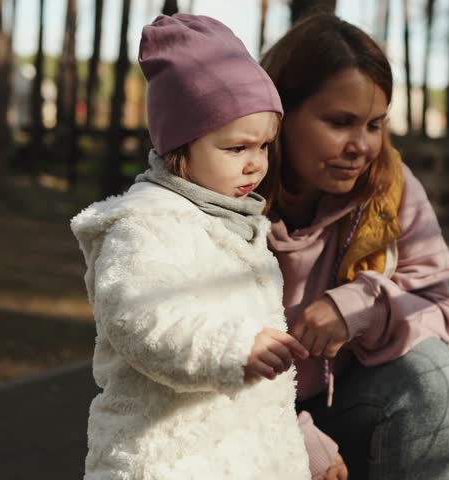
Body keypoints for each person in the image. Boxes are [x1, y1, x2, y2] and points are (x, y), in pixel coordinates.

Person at [71, 14, 326, 479]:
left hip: (244, 457)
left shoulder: (237, 221)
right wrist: (230, 349)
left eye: (265, 147)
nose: (255, 166)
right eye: (235, 149)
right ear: (178, 145)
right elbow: (140, 318)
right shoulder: (146, 224)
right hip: (165, 458)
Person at [258, 14, 449, 480]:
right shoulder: (225, 192)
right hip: (231, 419)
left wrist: (364, 306)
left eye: (375, 124)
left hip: (343, 404)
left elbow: (444, 305)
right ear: (279, 112)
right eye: (340, 123)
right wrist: (299, 440)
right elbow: (194, 350)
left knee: (435, 380)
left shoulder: (388, 188)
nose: (362, 146)